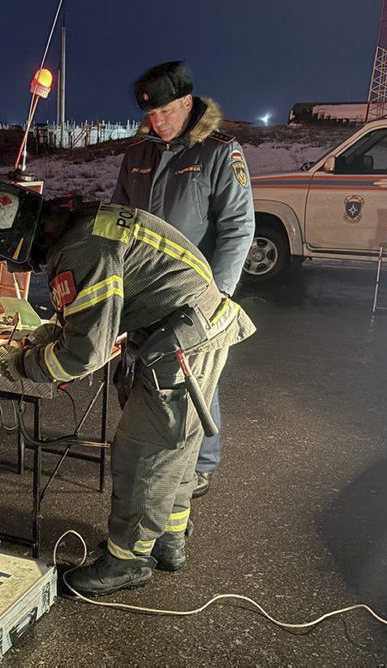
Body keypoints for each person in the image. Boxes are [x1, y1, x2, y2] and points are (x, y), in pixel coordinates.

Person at [0, 181, 255, 596]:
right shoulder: (81, 224)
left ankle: (127, 562)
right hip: (190, 327)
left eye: (7, 259)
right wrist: (49, 333)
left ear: (18, 242)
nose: (14, 269)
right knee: (176, 448)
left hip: (181, 342)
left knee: (144, 454)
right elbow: (97, 309)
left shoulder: (79, 250)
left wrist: (21, 364)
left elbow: (80, 357)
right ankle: (168, 541)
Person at [112, 60, 255, 498]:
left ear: (188, 103)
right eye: (151, 114)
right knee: (145, 370)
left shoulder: (217, 151)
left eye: (167, 112)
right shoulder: (137, 154)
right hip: (142, 289)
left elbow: (237, 227)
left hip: (195, 293)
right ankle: (152, 449)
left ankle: (202, 463)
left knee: (194, 377)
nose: (158, 122)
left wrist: (219, 296)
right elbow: (117, 220)